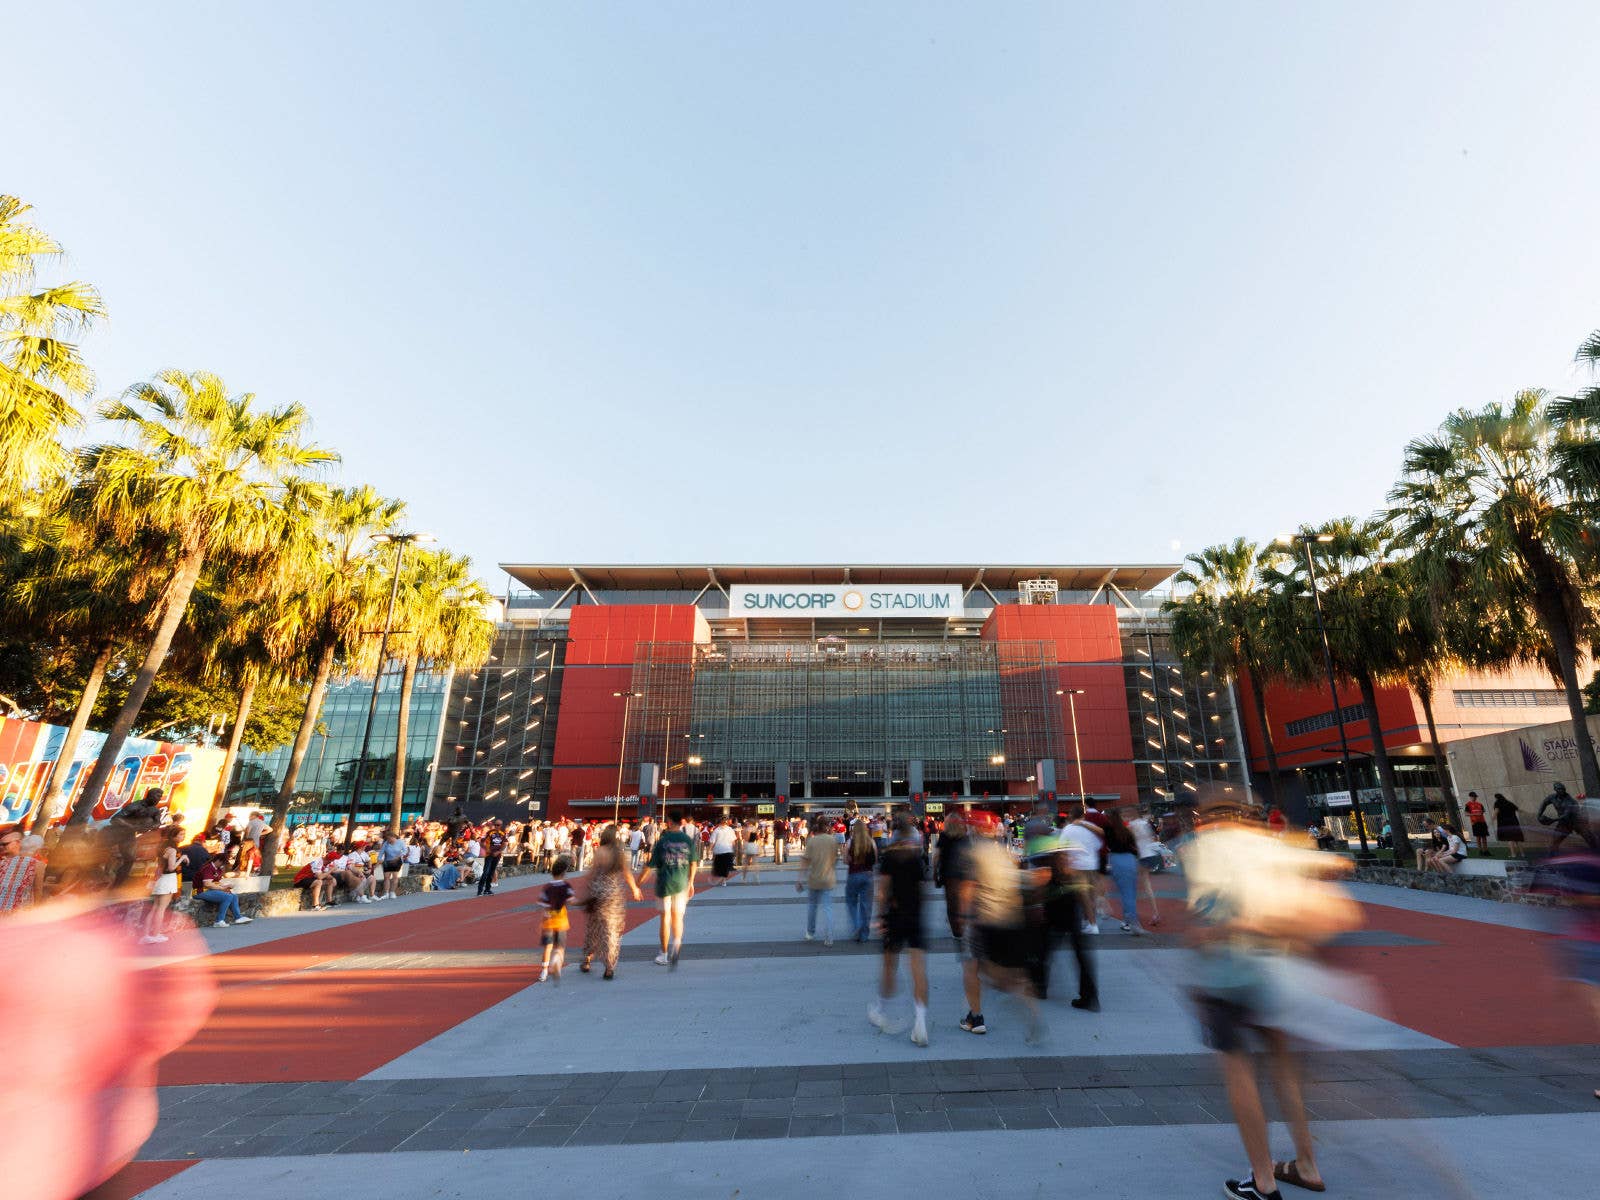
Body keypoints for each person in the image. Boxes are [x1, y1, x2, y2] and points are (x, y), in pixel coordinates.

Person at [1183, 798, 1358, 1200]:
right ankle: (1307, 1164)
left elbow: (1209, 916)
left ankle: (1262, 1180)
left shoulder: (1202, 848)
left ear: (1209, 818)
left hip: (1229, 973)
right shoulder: (1275, 845)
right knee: (1284, 1070)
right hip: (1280, 971)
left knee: (1239, 1072)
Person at [871, 814, 929, 1046]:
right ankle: (921, 1023)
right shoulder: (917, 858)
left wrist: (880, 915)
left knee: (889, 965)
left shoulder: (889, 857)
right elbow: (923, 890)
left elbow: (882, 890)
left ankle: (880, 1009)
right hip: (914, 915)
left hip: (894, 915)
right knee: (918, 970)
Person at [935, 812, 986, 1035]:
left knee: (969, 960)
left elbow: (935, 857)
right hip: (973, 900)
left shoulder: (944, 838)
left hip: (955, 889)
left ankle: (976, 1016)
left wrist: (935, 871)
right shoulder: (967, 840)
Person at [639, 810, 699, 968]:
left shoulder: (663, 841)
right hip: (681, 883)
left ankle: (664, 954)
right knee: (678, 917)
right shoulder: (687, 840)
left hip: (664, 884)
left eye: (667, 821)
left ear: (671, 822)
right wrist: (691, 881)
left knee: (665, 918)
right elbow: (693, 862)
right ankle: (676, 946)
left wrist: (638, 883)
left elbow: (649, 866)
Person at [1057, 802, 1102, 1010]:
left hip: (1077, 867)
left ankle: (1090, 922)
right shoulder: (1088, 829)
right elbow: (1097, 844)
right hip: (1091, 864)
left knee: (1082, 897)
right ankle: (1090, 921)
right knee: (1090, 896)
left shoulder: (1068, 829)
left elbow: (1061, 849)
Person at [798, 815, 837, 946]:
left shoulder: (812, 841)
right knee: (828, 908)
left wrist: (800, 879)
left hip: (814, 879)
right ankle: (829, 936)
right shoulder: (832, 840)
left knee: (812, 907)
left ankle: (810, 932)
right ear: (827, 826)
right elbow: (835, 859)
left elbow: (805, 861)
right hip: (828, 878)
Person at [141, 825, 183, 944]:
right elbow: (171, 867)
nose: (183, 837)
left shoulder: (163, 847)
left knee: (155, 908)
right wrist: (182, 858)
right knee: (161, 909)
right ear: (174, 836)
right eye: (181, 834)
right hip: (168, 879)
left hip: (160, 879)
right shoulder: (172, 850)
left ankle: (147, 935)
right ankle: (154, 934)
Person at [537, 857, 574, 983]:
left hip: (548, 921)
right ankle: (556, 964)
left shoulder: (547, 887)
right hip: (561, 921)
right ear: (564, 873)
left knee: (547, 947)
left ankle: (544, 971)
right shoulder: (566, 886)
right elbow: (572, 901)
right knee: (560, 947)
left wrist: (541, 922)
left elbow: (543, 906)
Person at [1127, 808, 1164, 925]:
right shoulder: (1144, 823)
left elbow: (1129, 840)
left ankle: (1136, 913)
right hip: (1149, 854)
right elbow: (1152, 835)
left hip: (1140, 856)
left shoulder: (1131, 825)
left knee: (1136, 883)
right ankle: (1155, 913)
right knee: (1145, 884)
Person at [844, 819, 878, 941]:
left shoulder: (849, 842)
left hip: (853, 875)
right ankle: (864, 934)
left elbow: (845, 860)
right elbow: (875, 860)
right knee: (866, 905)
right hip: (868, 876)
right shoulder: (871, 842)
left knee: (851, 902)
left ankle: (856, 924)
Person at [1539, 781, 1597, 853]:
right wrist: (1539, 815)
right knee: (1555, 840)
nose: (1562, 790)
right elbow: (1544, 803)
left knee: (1590, 838)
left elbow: (1566, 815)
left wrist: (1552, 820)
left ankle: (1597, 852)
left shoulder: (1570, 801)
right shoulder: (1552, 797)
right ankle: (1552, 857)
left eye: (1563, 789)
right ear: (1555, 790)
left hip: (1576, 822)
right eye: (1559, 789)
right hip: (1564, 823)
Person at [193, 857, 252, 927]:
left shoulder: (218, 869)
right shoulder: (208, 868)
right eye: (222, 863)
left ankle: (238, 917)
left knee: (234, 896)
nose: (223, 866)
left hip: (210, 890)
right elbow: (207, 884)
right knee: (228, 897)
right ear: (218, 861)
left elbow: (216, 883)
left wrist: (226, 886)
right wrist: (222, 888)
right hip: (200, 892)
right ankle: (219, 921)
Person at [0, 824, 44, 914]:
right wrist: (36, 911)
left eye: (4, 844)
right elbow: (38, 891)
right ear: (37, 849)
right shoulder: (39, 865)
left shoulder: (3, 863)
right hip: (20, 910)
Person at [478, 819, 507, 896]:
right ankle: (480, 890)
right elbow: (481, 842)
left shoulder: (503, 833)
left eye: (498, 825)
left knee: (491, 872)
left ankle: (487, 889)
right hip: (489, 855)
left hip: (497, 855)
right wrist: (488, 850)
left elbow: (504, 844)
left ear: (501, 826)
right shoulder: (490, 832)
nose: (497, 826)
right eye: (496, 825)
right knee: (486, 872)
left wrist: (498, 852)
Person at [1493, 793, 1525, 860]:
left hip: (1505, 824)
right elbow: (1518, 810)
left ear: (1496, 798)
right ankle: (1522, 854)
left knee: (1510, 839)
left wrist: (1493, 818)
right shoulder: (1509, 803)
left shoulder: (1497, 803)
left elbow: (1496, 812)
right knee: (1517, 838)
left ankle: (1513, 854)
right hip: (1514, 822)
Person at [378, 831, 407, 899]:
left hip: (397, 861)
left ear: (393, 837)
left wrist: (399, 856)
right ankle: (386, 893)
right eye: (387, 839)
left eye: (389, 839)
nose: (388, 840)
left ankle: (392, 892)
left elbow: (405, 851)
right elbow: (381, 852)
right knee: (386, 877)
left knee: (395, 876)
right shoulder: (386, 843)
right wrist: (379, 859)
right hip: (387, 861)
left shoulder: (400, 842)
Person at [710, 817, 737, 886]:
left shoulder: (716, 830)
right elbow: (733, 841)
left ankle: (721, 879)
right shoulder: (730, 830)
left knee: (719, 865)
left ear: (720, 822)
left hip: (719, 850)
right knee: (725, 866)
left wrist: (710, 850)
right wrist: (734, 849)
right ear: (727, 822)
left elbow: (712, 841)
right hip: (728, 850)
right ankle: (723, 880)